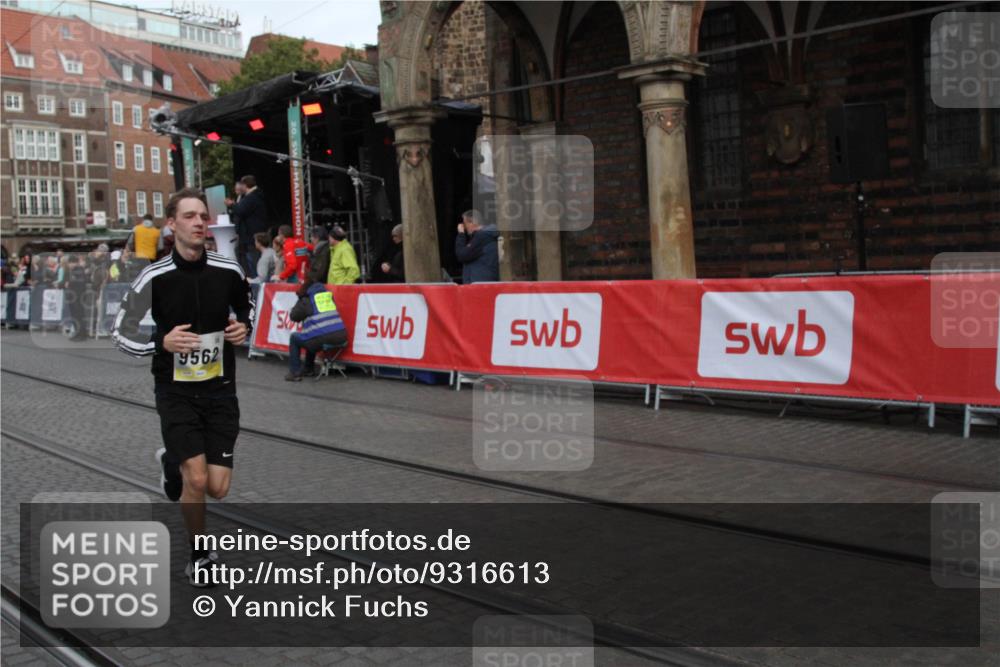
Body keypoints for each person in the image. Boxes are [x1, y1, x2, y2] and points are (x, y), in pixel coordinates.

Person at [112, 187, 254, 587]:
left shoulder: (228, 270)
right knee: (195, 482)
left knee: (217, 487)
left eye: (202, 217)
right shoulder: (154, 276)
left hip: (221, 389)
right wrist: (162, 343)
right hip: (175, 392)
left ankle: (169, 461)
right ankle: (200, 555)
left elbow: (248, 307)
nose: (198, 223)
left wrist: (245, 326)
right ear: (171, 225)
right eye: (189, 216)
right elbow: (119, 333)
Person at [285, 278, 347, 381]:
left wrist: (300, 299)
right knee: (311, 334)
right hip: (341, 336)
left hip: (323, 337)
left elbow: (294, 316)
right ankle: (308, 369)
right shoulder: (328, 297)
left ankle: (295, 372)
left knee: (295, 338)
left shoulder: (307, 299)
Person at [227, 175, 269, 278]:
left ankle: (255, 281)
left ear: (245, 185)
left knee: (253, 260)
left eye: (241, 185)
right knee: (243, 254)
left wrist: (232, 205)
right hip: (248, 235)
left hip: (252, 236)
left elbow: (241, 211)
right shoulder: (252, 196)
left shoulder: (252, 197)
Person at [455, 209, 499, 284]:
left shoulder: (482, 236)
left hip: (480, 285)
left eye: (464, 224)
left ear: (472, 223)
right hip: (484, 282)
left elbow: (462, 255)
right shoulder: (485, 236)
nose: (464, 227)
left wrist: (461, 234)